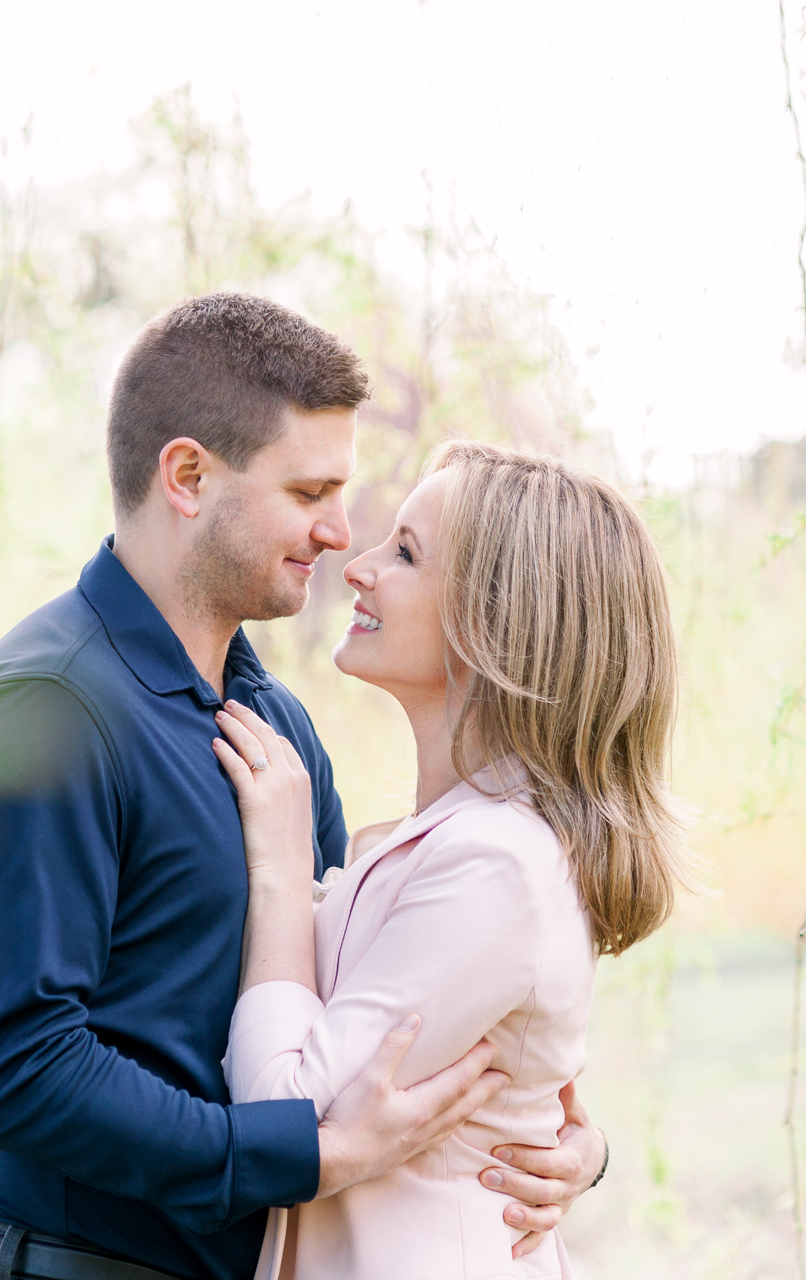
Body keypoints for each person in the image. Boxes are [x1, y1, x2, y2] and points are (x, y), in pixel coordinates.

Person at [0, 296, 608, 1280]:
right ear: (188, 476)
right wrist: (301, 1156)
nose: (339, 532)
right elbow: (17, 1070)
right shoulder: (43, 710)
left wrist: (561, 1136)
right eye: (310, 490)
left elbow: (357, 1003)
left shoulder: (277, 728)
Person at [214, 440, 690, 1279]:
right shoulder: (451, 840)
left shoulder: (498, 862)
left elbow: (282, 1116)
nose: (357, 568)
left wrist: (284, 876)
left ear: (496, 619)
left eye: (405, 552)